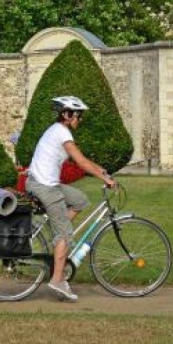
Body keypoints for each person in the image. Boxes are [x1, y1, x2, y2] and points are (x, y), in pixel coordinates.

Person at [25, 95, 117, 302]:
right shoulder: (61, 133)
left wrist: (102, 171)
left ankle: (59, 236)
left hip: (45, 183)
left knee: (80, 200)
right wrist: (104, 178)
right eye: (78, 116)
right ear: (67, 115)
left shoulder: (58, 131)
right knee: (65, 234)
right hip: (44, 187)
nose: (80, 120)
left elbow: (82, 160)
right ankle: (57, 280)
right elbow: (81, 161)